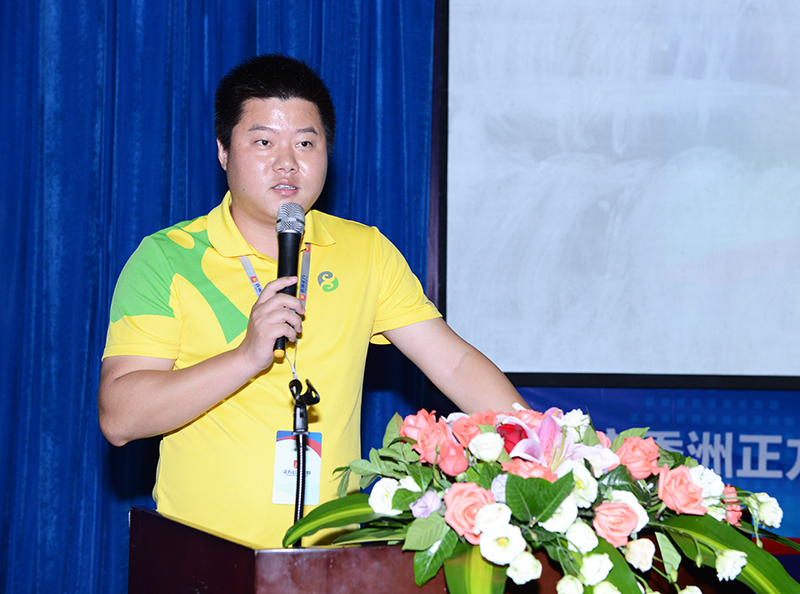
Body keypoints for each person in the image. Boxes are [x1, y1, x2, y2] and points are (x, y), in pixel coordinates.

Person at [98, 53, 527, 548]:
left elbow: (454, 365)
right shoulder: (167, 258)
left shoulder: (365, 252)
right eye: (263, 142)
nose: (287, 162)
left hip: (332, 561)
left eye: (305, 142)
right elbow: (120, 417)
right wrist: (245, 357)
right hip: (202, 559)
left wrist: (545, 449)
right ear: (223, 151)